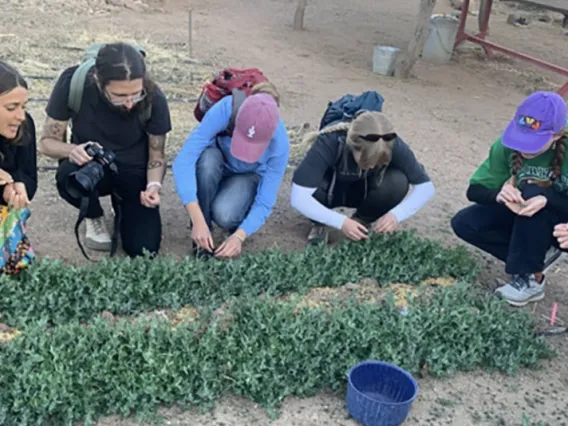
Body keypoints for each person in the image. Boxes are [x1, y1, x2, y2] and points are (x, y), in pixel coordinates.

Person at [38, 42, 172, 258]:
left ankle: (122, 204)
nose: (129, 103)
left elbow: (157, 155)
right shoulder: (74, 83)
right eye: (119, 95)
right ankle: (93, 214)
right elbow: (46, 143)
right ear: (99, 82)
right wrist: (73, 150)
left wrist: (154, 186)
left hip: (134, 169)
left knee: (144, 250)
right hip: (91, 166)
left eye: (135, 94)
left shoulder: (154, 97)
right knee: (68, 175)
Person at [451, 91, 568, 307]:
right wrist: (499, 195)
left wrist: (547, 198)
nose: (523, 147)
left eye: (534, 141)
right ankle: (533, 262)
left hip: (563, 219)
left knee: (534, 192)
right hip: (534, 213)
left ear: (556, 135)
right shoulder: (506, 144)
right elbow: (474, 190)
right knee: (465, 223)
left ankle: (531, 278)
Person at [172, 82, 289, 259]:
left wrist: (240, 236)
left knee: (225, 215)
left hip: (246, 176)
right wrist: (197, 218)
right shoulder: (226, 109)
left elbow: (265, 202)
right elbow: (183, 161)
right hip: (218, 163)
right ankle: (203, 231)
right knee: (207, 160)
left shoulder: (280, 143)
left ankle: (236, 214)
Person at [290, 110, 435, 245]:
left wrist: (396, 215)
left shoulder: (390, 142)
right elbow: (298, 197)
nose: (372, 166)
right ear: (353, 145)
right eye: (366, 161)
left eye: (378, 162)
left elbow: (426, 187)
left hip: (363, 191)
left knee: (397, 180)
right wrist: (340, 221)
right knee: (307, 183)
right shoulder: (330, 141)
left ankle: (361, 221)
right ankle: (320, 223)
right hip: (328, 192)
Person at [0, 61, 38, 273]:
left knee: (18, 269)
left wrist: (16, 187)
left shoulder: (25, 126)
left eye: (24, 106)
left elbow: (29, 176)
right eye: (11, 108)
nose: (21, 116)